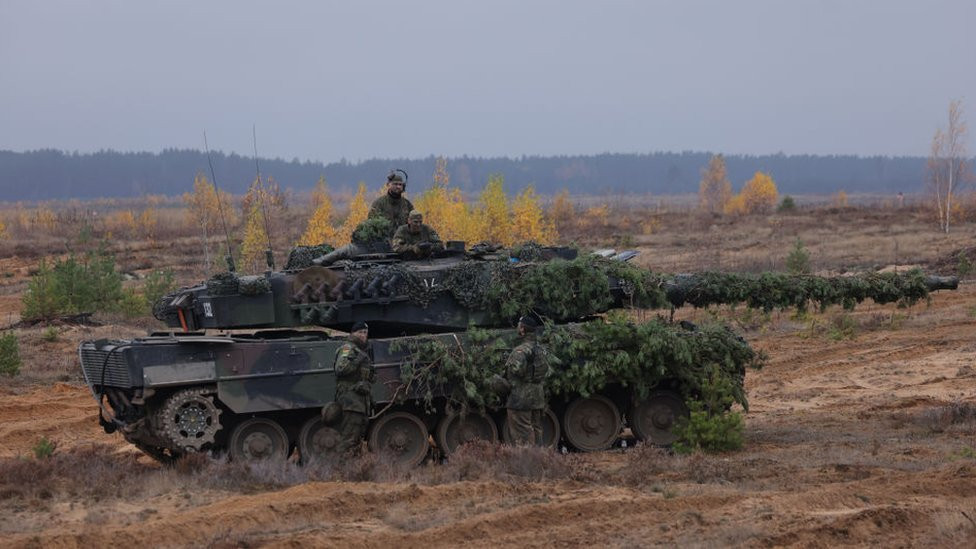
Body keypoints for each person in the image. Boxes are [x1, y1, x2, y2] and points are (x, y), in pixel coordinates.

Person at [504, 315, 550, 446]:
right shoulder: (540, 349)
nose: (517, 328)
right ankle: (541, 462)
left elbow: (516, 372)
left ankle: (526, 464)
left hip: (521, 399)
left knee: (522, 437)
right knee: (537, 432)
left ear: (523, 329)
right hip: (537, 398)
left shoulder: (520, 351)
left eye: (519, 326)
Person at [333, 321, 375, 455]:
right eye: (360, 332)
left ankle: (353, 470)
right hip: (350, 401)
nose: (363, 335)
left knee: (357, 438)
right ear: (353, 333)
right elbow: (340, 369)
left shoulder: (361, 351)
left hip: (360, 402)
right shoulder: (348, 348)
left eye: (365, 333)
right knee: (348, 438)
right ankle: (341, 470)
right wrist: (358, 360)